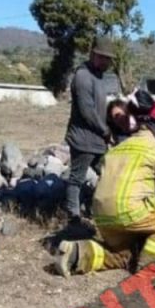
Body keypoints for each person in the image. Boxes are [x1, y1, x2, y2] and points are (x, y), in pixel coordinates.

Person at [55, 112, 155, 277]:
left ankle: (76, 254)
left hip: (102, 215)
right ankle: (148, 271)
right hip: (130, 212)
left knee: (123, 256)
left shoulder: (119, 148)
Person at [64, 36, 116, 225]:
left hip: (97, 139)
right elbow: (87, 111)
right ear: (93, 54)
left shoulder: (98, 76)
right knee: (76, 178)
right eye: (103, 57)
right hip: (83, 138)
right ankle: (73, 216)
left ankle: (99, 208)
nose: (106, 62)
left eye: (109, 59)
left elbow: (101, 108)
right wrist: (105, 131)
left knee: (108, 173)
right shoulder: (83, 76)